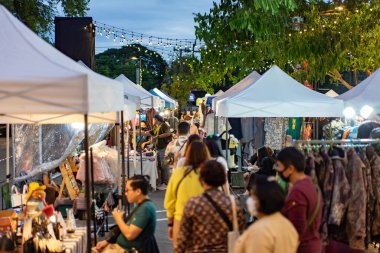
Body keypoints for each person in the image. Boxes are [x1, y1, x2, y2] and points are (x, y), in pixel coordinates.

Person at [175, 160, 245, 253]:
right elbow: (242, 233)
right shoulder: (233, 203)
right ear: (223, 179)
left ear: (201, 179)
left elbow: (183, 238)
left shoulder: (193, 204)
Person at [164, 141, 211, 249]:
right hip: (205, 221)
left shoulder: (178, 173)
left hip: (181, 220)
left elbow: (170, 201)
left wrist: (171, 224)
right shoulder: (209, 174)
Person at [234, 176, 299, 253]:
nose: (250, 199)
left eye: (253, 196)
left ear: (259, 202)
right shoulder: (288, 225)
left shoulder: (259, 231)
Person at [276, 147, 323, 253]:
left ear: (290, 169)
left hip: (303, 248)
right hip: (313, 245)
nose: (278, 171)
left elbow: (296, 230)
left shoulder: (298, 192)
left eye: (279, 166)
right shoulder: (311, 184)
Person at [95, 175, 157, 253]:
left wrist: (118, 219)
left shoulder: (145, 209)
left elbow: (129, 234)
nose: (126, 193)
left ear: (138, 191)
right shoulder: (142, 206)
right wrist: (108, 241)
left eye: (127, 190)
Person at [147, 114, 171, 190]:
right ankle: (163, 182)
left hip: (163, 148)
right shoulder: (157, 127)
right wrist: (132, 132)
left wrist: (157, 136)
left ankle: (166, 183)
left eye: (154, 119)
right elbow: (148, 133)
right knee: (161, 165)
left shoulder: (164, 125)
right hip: (159, 148)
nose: (153, 121)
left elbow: (168, 133)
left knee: (164, 165)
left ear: (157, 119)